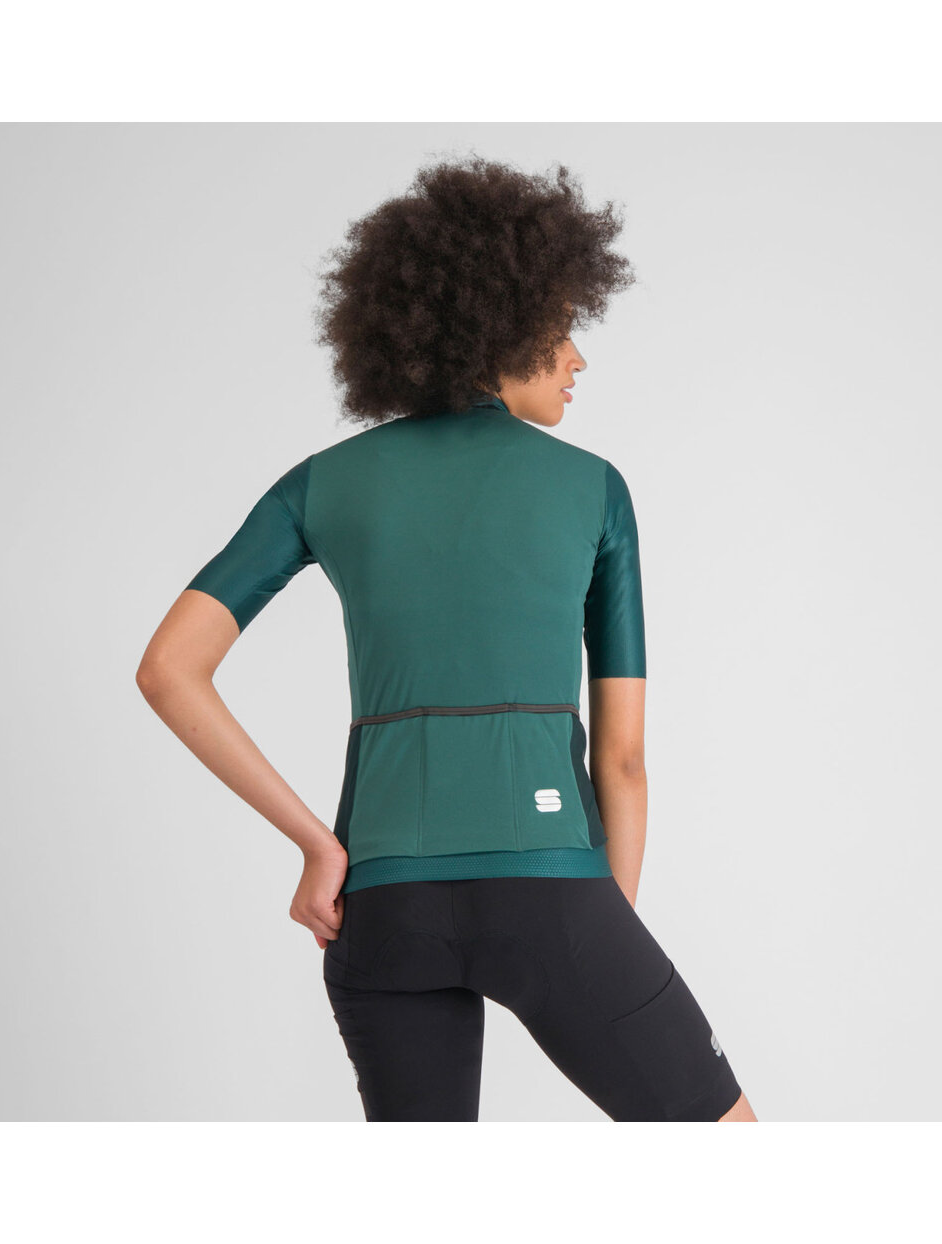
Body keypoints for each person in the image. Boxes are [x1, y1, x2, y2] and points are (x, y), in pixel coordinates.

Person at [136, 154, 757, 1122]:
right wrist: (597, 938)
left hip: (382, 907)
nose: (577, 358)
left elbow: (169, 669)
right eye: (561, 328)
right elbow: (624, 761)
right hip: (553, 892)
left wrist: (316, 843)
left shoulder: (320, 482)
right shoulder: (595, 489)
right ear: (502, 325)